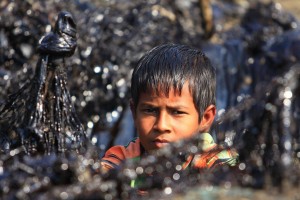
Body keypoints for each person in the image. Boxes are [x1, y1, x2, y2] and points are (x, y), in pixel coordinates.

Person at [100, 43, 238, 177]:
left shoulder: (216, 161)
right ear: (134, 112)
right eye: (150, 110)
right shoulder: (123, 159)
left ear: (205, 118)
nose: (161, 126)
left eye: (177, 112)